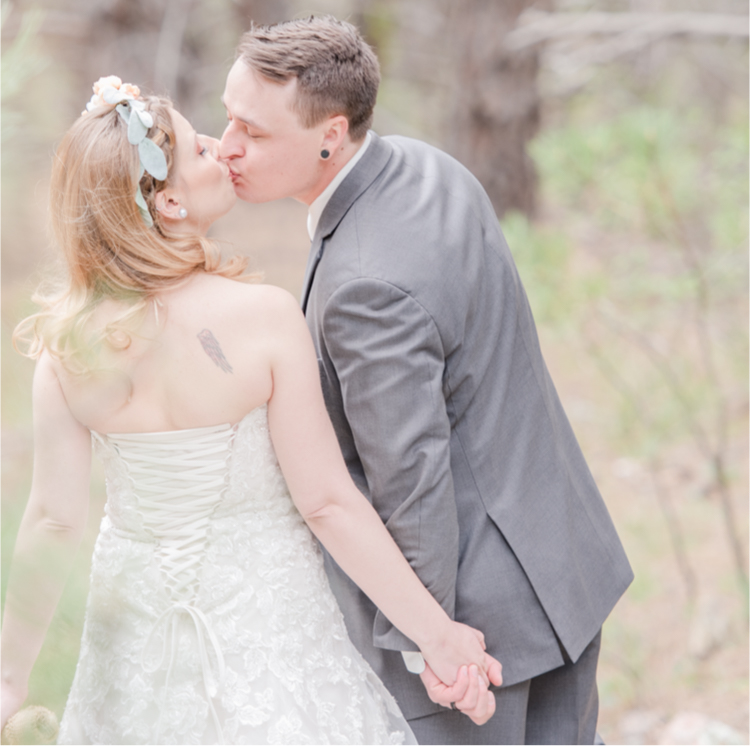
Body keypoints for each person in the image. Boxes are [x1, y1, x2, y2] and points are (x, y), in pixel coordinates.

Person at [1, 79, 502, 743]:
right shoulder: (263, 319)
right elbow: (327, 503)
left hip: (136, 652)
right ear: (171, 201)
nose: (221, 148)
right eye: (201, 147)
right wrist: (438, 636)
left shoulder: (67, 351)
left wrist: (9, 675)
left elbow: (53, 521)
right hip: (272, 632)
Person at [217, 17, 633, 746]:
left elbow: (410, 477)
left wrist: (430, 643)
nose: (227, 147)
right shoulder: (425, 167)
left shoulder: (362, 287)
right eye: (227, 118)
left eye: (251, 130)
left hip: (478, 635)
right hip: (562, 568)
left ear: (330, 134)